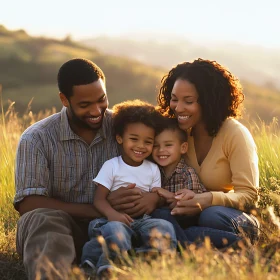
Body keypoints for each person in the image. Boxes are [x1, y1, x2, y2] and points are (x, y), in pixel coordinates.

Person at [13, 58, 162, 279]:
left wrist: (152, 199)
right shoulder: (37, 138)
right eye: (85, 105)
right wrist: (103, 207)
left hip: (119, 225)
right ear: (64, 99)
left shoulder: (124, 128)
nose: (97, 110)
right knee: (42, 218)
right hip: (64, 228)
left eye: (102, 99)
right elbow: (28, 203)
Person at [156, 58, 260, 248]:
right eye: (174, 99)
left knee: (210, 216)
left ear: (209, 101)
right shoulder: (177, 133)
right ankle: (191, 243)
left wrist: (208, 200)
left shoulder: (235, 134)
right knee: (162, 215)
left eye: (188, 101)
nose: (178, 108)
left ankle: (184, 241)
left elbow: (249, 196)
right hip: (187, 214)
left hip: (228, 217)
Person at [81, 100, 177, 277]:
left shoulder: (152, 168)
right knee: (115, 231)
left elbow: (157, 195)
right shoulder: (112, 166)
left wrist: (155, 198)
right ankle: (109, 266)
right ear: (120, 138)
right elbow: (99, 199)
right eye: (134, 139)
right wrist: (112, 215)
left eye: (148, 142)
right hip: (111, 220)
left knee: (164, 225)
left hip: (141, 220)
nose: (141, 146)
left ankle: (153, 256)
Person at [150, 117, 207, 247]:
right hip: (164, 224)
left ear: (183, 148)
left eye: (168, 145)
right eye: (155, 146)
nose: (161, 150)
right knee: (159, 215)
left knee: (161, 213)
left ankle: (184, 245)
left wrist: (169, 196)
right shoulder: (153, 171)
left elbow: (195, 206)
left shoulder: (187, 173)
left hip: (188, 220)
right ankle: (188, 244)